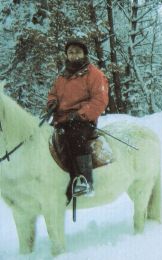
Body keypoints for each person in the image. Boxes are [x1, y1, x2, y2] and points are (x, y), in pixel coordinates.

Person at [46, 38, 109, 197]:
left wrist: (80, 114)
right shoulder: (62, 76)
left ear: (85, 54)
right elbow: (53, 93)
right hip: (62, 120)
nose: (74, 56)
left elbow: (100, 100)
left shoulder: (94, 74)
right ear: (66, 55)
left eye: (78, 52)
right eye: (70, 52)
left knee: (75, 138)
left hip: (83, 121)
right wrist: (52, 103)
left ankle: (85, 181)